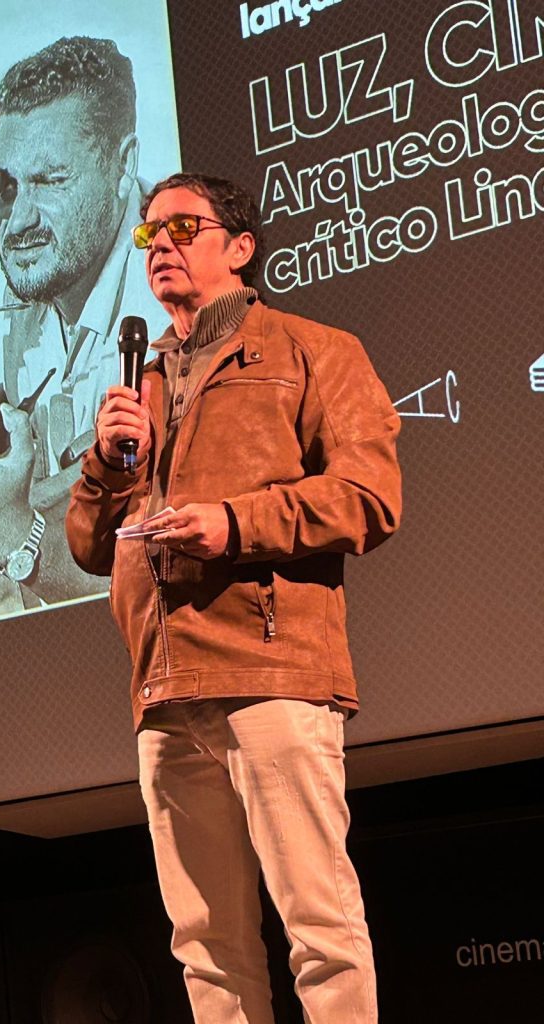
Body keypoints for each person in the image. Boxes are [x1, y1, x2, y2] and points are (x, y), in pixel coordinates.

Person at [65, 172, 402, 1023]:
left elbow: (371, 497)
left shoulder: (312, 351)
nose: (161, 247)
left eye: (183, 227)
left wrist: (233, 524)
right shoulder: (138, 384)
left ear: (241, 247)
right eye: (148, 236)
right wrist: (106, 463)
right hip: (165, 692)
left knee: (320, 933)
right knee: (206, 952)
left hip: (272, 674)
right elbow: (87, 547)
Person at [0, 36, 149, 605]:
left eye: (50, 182)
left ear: (124, 167)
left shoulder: (180, 301)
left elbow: (156, 576)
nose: (18, 220)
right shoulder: (32, 287)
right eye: (3, 187)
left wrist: (9, 536)